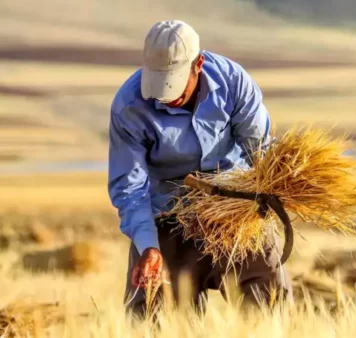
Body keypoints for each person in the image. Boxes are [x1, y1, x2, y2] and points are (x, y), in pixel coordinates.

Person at [107, 20, 292, 319]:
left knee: (269, 301)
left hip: (235, 208)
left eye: (173, 82)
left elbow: (259, 152)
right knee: (152, 313)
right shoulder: (129, 106)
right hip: (168, 212)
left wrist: (272, 193)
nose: (164, 95)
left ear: (199, 64)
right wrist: (148, 248)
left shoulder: (234, 82)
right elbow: (129, 188)